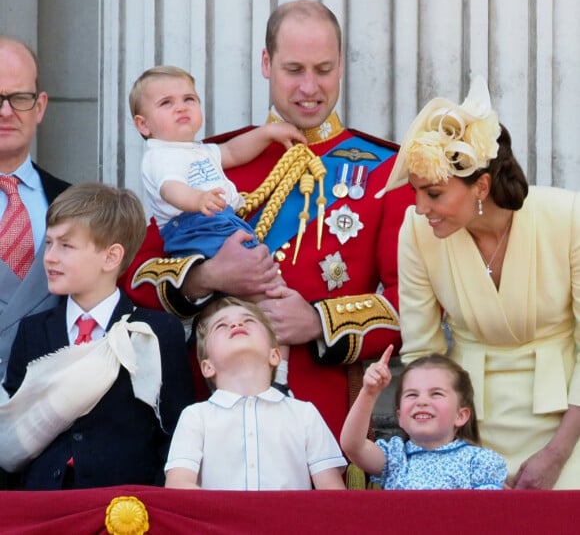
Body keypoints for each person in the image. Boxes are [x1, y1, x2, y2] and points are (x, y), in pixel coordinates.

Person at [120, 0, 415, 444]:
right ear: (266, 63)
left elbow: (415, 304)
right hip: (213, 412)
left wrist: (320, 322)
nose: (310, 87)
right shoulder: (209, 161)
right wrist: (205, 276)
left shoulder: (385, 172)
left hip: (328, 414)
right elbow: (136, 277)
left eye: (324, 69)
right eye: (294, 69)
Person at [375, 75, 580, 489]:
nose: (419, 208)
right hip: (466, 430)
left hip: (570, 425)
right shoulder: (415, 232)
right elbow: (422, 352)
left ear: (481, 186)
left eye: (433, 194)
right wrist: (445, 450)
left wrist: (559, 452)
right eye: (416, 193)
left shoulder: (569, 217)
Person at [2, 182, 195, 489]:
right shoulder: (33, 331)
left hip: (127, 508)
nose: (49, 258)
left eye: (66, 246)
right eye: (48, 243)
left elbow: (177, 431)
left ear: (111, 257)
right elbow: (12, 432)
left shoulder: (156, 332)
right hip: (42, 506)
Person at [164, 296, 346, 490]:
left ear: (275, 355)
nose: (236, 323)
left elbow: (332, 493)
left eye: (249, 320)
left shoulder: (304, 414)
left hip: (290, 520)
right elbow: (178, 485)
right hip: (219, 520)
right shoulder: (195, 417)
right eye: (220, 325)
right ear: (207, 367)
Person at [129, 65, 306, 260]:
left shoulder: (199, 150)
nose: (181, 107)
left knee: (256, 264)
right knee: (246, 265)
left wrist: (267, 133)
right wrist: (197, 200)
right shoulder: (161, 156)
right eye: (166, 103)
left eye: (189, 99)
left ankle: (272, 289)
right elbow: (170, 189)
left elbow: (233, 151)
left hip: (218, 222)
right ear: (143, 125)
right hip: (193, 227)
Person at [0, 37, 69, 382]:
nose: (6, 111)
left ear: (39, 107)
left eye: (20, 98)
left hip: (50, 412)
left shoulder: (73, 202)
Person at [340, 345, 507, 489]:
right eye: (412, 394)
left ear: (461, 415)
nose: (422, 401)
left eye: (436, 394)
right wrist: (369, 393)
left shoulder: (479, 462)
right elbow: (353, 446)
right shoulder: (394, 458)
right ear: (400, 417)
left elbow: (486, 517)